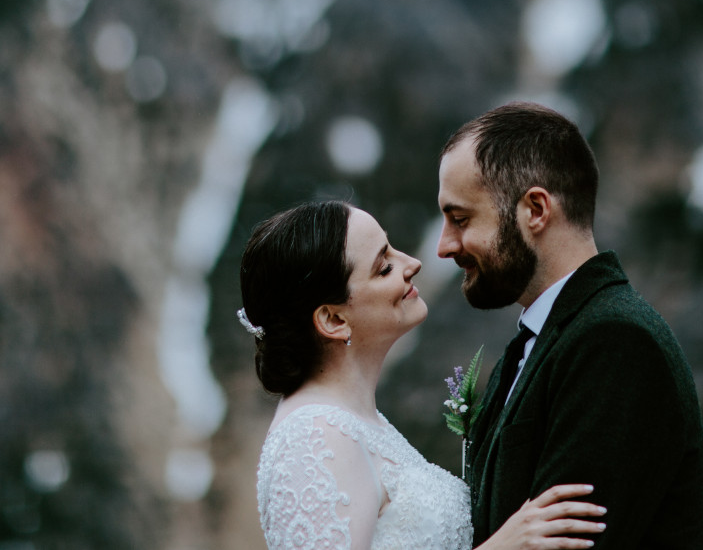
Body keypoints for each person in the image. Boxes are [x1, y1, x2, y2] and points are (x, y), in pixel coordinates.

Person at [239, 199, 607, 550]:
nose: (412, 263)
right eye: (384, 267)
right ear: (333, 319)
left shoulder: (358, 422)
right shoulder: (313, 437)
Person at [437, 102, 703, 549]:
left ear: (536, 210)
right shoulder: (542, 341)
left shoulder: (615, 342)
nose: (445, 247)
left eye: (461, 219)